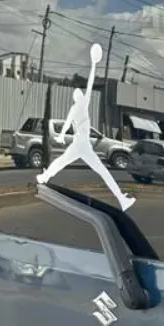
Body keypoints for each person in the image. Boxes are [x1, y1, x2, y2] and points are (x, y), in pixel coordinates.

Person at [35, 43, 136, 211]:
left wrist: (61, 136)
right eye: (79, 94)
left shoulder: (75, 107)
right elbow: (89, 84)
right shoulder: (82, 105)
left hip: (81, 145)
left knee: (63, 162)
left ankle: (44, 176)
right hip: (82, 145)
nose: (81, 94)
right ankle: (120, 198)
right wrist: (94, 64)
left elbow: (67, 123)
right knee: (101, 171)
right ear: (78, 97)